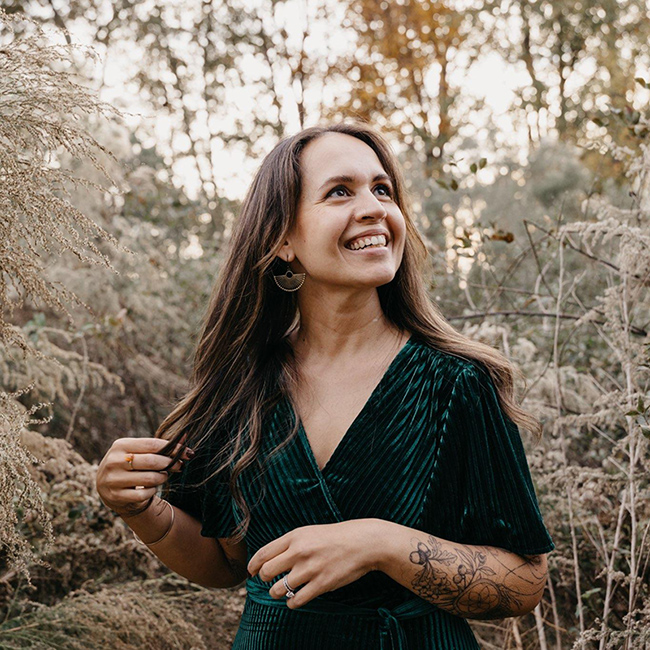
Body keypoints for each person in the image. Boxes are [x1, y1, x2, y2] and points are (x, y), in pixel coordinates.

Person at [96, 121, 554, 649]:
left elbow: (524, 582)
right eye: (340, 191)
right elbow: (226, 564)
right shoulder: (240, 384)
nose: (373, 208)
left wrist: (380, 543)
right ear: (283, 240)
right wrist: (142, 512)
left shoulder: (456, 384)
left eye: (382, 190)